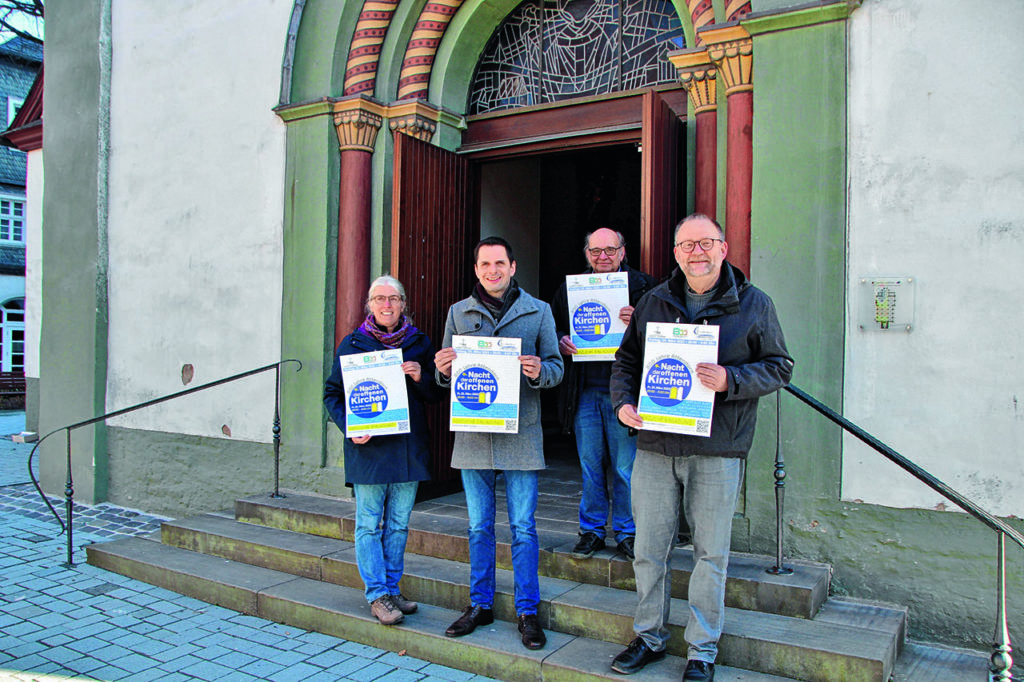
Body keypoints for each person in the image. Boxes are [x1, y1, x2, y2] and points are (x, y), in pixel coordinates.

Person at [609, 214, 794, 681]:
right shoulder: (654, 301)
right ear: (675, 253)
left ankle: (701, 650)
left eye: (706, 243)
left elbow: (779, 366)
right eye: (687, 245)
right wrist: (623, 404)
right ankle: (649, 636)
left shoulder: (754, 305)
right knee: (649, 549)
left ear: (723, 248)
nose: (697, 252)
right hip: (654, 445)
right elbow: (626, 361)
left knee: (710, 553)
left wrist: (732, 379)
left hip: (717, 448)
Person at [434, 236, 563, 651]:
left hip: (521, 433)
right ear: (476, 269)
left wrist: (539, 370)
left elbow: (558, 369)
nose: (493, 271)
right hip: (473, 435)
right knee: (478, 526)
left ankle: (528, 612)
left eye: (499, 263)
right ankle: (480, 604)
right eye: (485, 264)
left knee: (523, 528)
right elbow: (446, 377)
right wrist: (441, 369)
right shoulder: (459, 312)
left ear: (513, 266)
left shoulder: (538, 311)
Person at [323, 275, 442, 626]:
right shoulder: (353, 344)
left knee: (399, 525)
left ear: (404, 304)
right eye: (379, 299)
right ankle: (376, 594)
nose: (386, 305)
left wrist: (422, 376)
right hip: (369, 449)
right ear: (370, 305)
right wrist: (350, 427)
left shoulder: (420, 343)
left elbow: (438, 394)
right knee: (368, 525)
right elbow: (332, 394)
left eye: (393, 298)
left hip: (408, 448)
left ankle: (391, 588)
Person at [550, 228, 657, 560]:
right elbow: (549, 325)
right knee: (590, 465)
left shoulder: (645, 287)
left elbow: (667, 333)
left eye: (610, 250)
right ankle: (592, 530)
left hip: (625, 393)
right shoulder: (571, 289)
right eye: (595, 251)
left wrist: (640, 320)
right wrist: (560, 339)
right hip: (583, 391)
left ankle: (627, 532)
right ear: (587, 254)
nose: (603, 257)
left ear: (623, 252)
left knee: (626, 467)